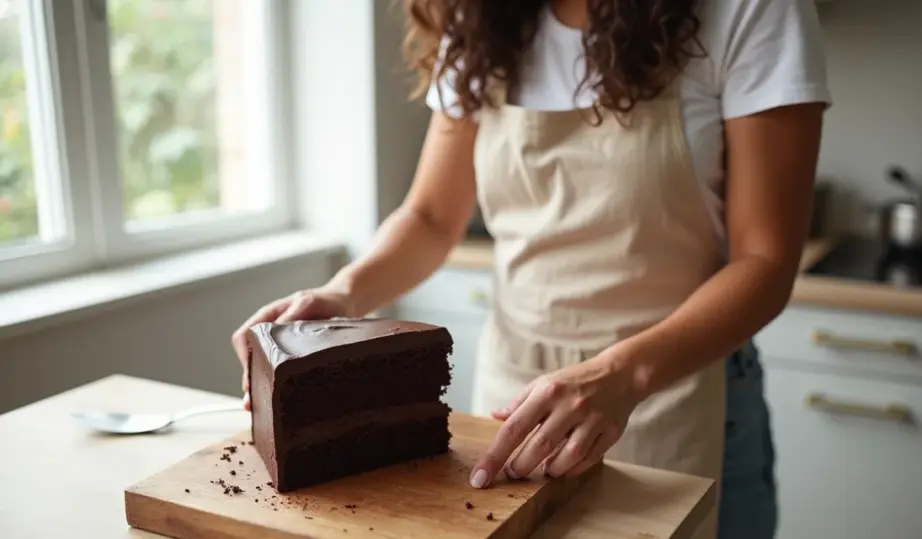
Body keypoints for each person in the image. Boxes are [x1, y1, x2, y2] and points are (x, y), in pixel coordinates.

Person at [231, 0, 830, 537]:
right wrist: (344, 294)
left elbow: (766, 260)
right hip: (512, 394)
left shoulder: (749, 10)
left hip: (672, 389)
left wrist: (621, 373)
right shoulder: (481, 18)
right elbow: (431, 216)